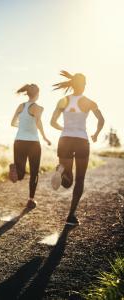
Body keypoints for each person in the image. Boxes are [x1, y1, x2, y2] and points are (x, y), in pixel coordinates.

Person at [50, 70, 105, 225]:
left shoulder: (63, 101)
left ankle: (61, 169)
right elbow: (101, 119)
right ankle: (71, 215)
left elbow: (52, 122)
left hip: (65, 139)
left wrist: (64, 129)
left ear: (72, 85)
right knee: (79, 179)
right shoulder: (89, 102)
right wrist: (96, 134)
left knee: (67, 181)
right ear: (84, 85)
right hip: (81, 140)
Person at [10, 84, 51, 209]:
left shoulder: (21, 106)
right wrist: (44, 137)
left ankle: (14, 168)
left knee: (20, 173)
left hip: (18, 141)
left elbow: (12, 123)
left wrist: (23, 126)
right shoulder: (38, 107)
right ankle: (31, 200)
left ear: (27, 94)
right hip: (33, 142)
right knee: (34, 173)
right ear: (37, 94)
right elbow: (38, 122)